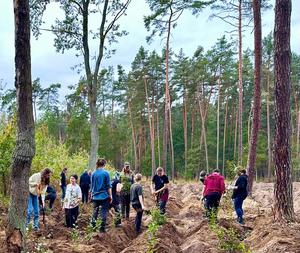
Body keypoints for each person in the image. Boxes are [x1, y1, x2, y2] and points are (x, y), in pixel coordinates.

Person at [90, 158, 112, 233]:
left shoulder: (93, 173)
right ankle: (102, 229)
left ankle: (93, 228)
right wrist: (110, 196)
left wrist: (91, 195)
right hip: (104, 196)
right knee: (103, 212)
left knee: (95, 212)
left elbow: (92, 186)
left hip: (95, 196)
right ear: (104, 164)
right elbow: (108, 186)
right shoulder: (106, 173)